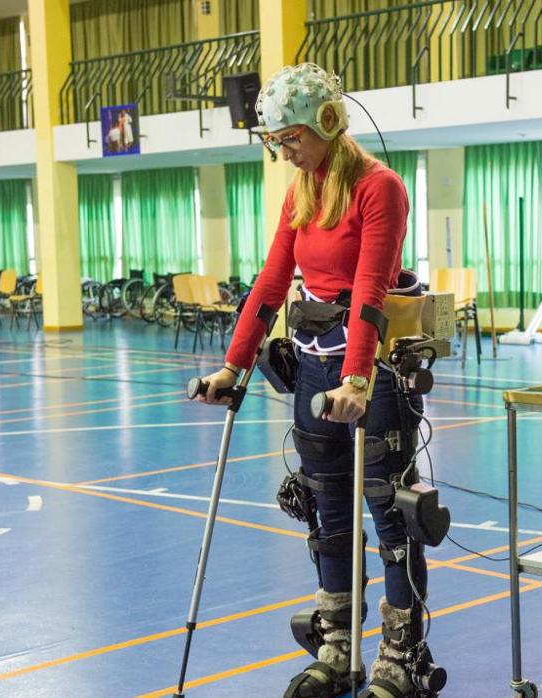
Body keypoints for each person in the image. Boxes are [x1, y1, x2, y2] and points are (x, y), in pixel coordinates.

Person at [195, 63, 431, 698]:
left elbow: (371, 289)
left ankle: (402, 653)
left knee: (390, 515)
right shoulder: (300, 193)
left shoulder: (379, 188)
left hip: (371, 372)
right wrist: (233, 365)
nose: (284, 151)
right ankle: (338, 640)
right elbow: (272, 284)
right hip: (312, 367)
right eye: (276, 142)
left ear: (329, 122)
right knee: (326, 514)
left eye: (290, 137)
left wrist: (357, 376)